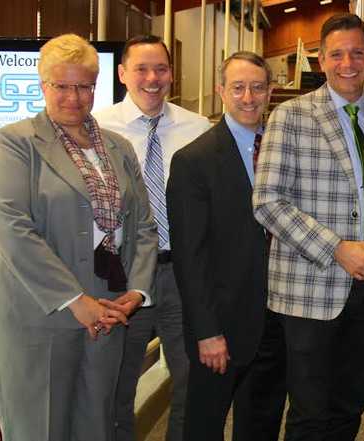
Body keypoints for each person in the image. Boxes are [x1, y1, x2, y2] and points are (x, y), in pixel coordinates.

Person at [0, 33, 157, 441]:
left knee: (96, 425)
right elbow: (12, 227)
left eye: (83, 86)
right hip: (38, 312)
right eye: (62, 85)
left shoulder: (118, 148)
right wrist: (76, 301)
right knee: (39, 429)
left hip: (107, 308)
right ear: (43, 85)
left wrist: (136, 293)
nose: (74, 97)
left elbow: (143, 227)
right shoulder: (15, 142)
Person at [252, 13, 364, 441]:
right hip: (310, 287)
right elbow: (267, 201)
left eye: (357, 53)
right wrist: (337, 249)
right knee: (308, 413)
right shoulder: (289, 116)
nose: (348, 63)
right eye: (337, 54)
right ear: (321, 60)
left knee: (350, 407)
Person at [94, 34, 210, 441]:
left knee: (192, 381)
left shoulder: (198, 129)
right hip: (124, 278)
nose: (152, 78)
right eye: (141, 68)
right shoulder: (97, 129)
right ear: (122, 73)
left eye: (160, 68)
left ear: (172, 75)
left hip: (183, 275)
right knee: (117, 386)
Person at [167, 51, 286, 441]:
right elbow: (190, 257)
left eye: (257, 87)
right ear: (221, 91)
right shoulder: (193, 161)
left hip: (277, 322)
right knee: (204, 425)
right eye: (238, 87)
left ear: (270, 91)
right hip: (221, 327)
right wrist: (207, 332)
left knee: (262, 424)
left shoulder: (285, 152)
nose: (248, 97)